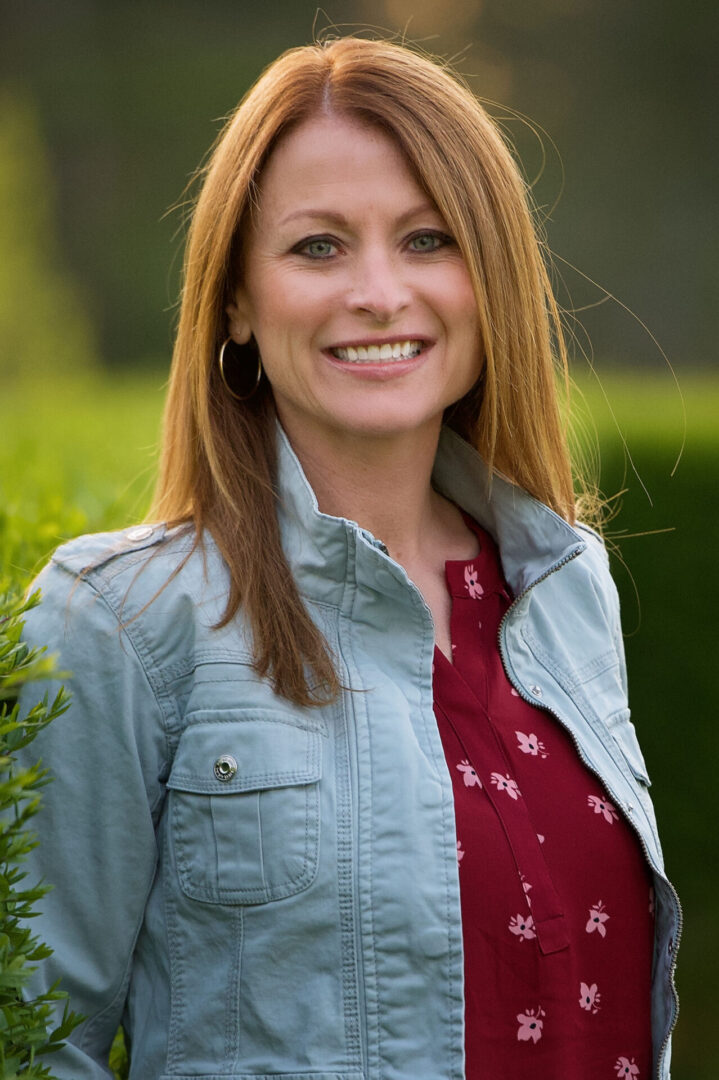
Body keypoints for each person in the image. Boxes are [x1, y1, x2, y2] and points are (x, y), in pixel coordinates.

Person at [17, 35, 679, 1080]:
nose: (378, 292)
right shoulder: (117, 625)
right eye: (317, 247)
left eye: (427, 240)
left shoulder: (564, 587)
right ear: (235, 298)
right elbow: (34, 1042)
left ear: (489, 278)